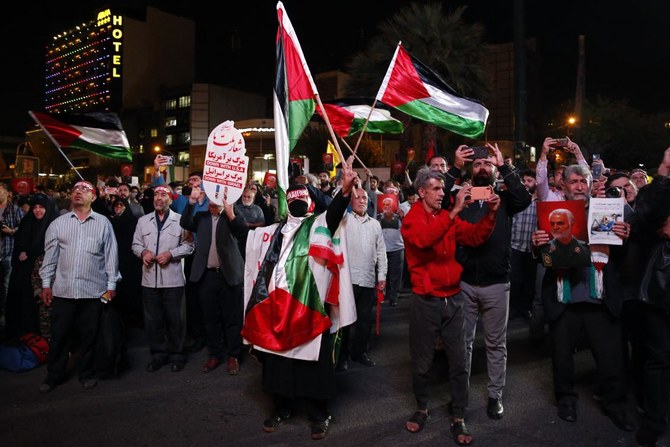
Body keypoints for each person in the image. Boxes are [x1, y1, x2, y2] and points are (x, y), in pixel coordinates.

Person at [242, 156, 358, 440]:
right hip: (275, 307)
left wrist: (344, 190)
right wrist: (230, 214)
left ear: (310, 202)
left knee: (313, 364)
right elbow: (244, 236)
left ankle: (320, 414)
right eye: (292, 197)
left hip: (308, 306)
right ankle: (281, 407)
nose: (296, 201)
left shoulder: (319, 224)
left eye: (301, 197)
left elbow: (335, 212)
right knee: (278, 361)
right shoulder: (273, 231)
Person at [531, 163, 636, 431]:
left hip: (599, 296)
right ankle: (565, 400)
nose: (579, 186)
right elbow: (545, 258)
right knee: (562, 356)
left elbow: (624, 259)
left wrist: (625, 238)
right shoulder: (551, 213)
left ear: (590, 184)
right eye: (574, 181)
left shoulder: (606, 211)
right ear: (563, 185)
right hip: (564, 295)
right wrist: (538, 244)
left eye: (584, 181)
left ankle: (615, 405)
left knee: (611, 356)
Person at [400, 167, 500, 446]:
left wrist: (491, 214)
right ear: (421, 192)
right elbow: (424, 239)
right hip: (426, 299)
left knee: (459, 360)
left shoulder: (447, 217)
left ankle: (458, 414)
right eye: (436, 188)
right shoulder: (413, 218)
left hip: (453, 297)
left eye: (443, 189)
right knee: (422, 362)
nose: (443, 193)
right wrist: (453, 211)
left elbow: (475, 236)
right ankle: (422, 407)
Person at [454, 142, 532, 421]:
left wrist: (505, 167)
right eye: (477, 164)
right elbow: (439, 206)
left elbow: (525, 199)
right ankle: (460, 398)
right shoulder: (462, 196)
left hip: (497, 284)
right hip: (465, 283)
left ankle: (495, 395)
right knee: (463, 344)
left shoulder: (504, 197)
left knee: (496, 344)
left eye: (487, 163)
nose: (482, 167)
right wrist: (455, 168)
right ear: (471, 171)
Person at [38, 180, 121, 393]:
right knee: (59, 337)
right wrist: (46, 284)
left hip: (93, 292)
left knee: (89, 337)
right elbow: (50, 257)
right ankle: (53, 376)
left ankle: (86, 373)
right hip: (63, 291)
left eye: (85, 190)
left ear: (94, 197)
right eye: (76, 189)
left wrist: (111, 286)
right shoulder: (59, 223)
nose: (78, 192)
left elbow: (111, 257)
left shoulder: (103, 223)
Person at [180, 185, 248, 375]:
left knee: (232, 319)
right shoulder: (201, 218)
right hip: (207, 275)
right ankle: (215, 354)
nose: (211, 203)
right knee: (210, 318)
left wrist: (231, 213)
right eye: (209, 199)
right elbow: (185, 223)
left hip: (229, 276)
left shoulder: (233, 215)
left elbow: (243, 233)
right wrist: (191, 203)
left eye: (215, 199)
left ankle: (233, 355)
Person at [132, 185, 194, 373]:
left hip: (173, 280)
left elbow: (189, 246)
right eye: (156, 195)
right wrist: (142, 252)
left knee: (176, 321)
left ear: (171, 199)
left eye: (163, 195)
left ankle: (177, 355)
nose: (158, 198)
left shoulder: (180, 221)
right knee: (153, 321)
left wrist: (171, 254)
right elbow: (135, 244)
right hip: (149, 280)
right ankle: (158, 354)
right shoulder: (143, 221)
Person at [634, 147, 670, 447]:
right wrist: (663, 172)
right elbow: (643, 215)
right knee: (657, 357)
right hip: (662, 283)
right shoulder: (661, 188)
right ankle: (655, 419)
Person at [337, 187, 387, 371]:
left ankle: (359, 353)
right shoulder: (344, 220)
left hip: (368, 279)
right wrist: (345, 186)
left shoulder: (375, 224)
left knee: (365, 320)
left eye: (364, 198)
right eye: (357, 197)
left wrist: (382, 275)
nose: (361, 200)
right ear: (351, 201)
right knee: (344, 322)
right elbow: (336, 205)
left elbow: (381, 251)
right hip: (347, 280)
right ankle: (341, 357)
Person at [5, 194, 56, 339]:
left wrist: (30, 253)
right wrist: (22, 251)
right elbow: (20, 243)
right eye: (35, 207)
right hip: (23, 275)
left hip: (43, 278)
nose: (37, 211)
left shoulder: (53, 225)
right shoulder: (27, 222)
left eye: (41, 207)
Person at [109, 197, 143, 327]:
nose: (118, 208)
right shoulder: (110, 221)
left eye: (121, 205)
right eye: (116, 206)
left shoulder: (133, 221)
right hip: (115, 260)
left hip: (130, 262)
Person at [509, 169, 538, 320]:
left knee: (529, 280)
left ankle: (525, 308)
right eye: (524, 181)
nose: (526, 183)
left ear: (536, 183)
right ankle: (513, 308)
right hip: (516, 245)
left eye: (529, 181)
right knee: (515, 279)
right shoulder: (517, 200)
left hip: (532, 248)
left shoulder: (541, 201)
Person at [0, 182, 26, 326]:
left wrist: (11, 231)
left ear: (6, 193)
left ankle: (6, 316)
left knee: (7, 286)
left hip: (8, 253)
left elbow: (23, 228)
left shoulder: (15, 209)